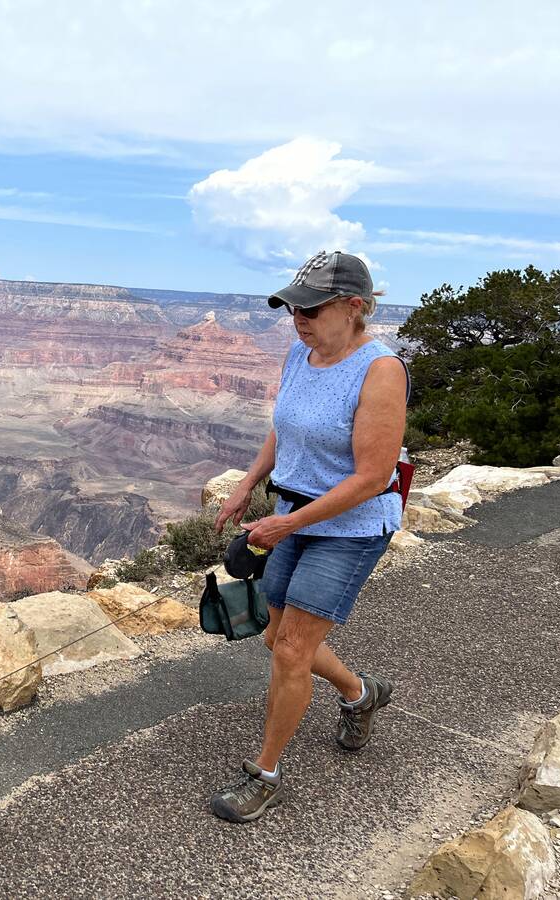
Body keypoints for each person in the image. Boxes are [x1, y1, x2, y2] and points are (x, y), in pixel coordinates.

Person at [209, 250, 409, 824]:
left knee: (293, 650)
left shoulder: (381, 371)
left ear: (353, 307)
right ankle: (361, 693)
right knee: (275, 638)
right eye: (293, 308)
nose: (298, 319)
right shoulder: (301, 353)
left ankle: (264, 775)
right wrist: (247, 484)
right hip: (292, 513)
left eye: (311, 309)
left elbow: (372, 477)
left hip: (349, 528)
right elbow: (285, 428)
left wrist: (288, 524)